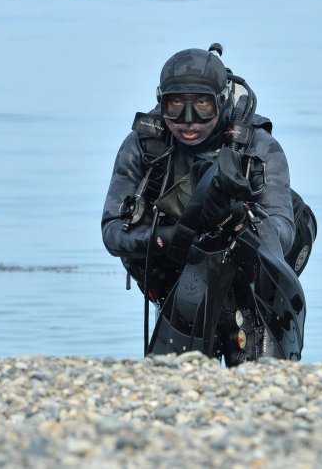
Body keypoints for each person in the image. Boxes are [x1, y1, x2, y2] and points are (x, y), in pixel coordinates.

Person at [101, 46, 306, 366]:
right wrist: (168, 239)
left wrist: (240, 223)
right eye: (175, 105)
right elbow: (112, 231)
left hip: (249, 280)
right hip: (173, 273)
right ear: (161, 102)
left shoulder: (258, 146)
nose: (188, 120)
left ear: (221, 100)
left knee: (261, 380)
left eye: (202, 104)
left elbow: (284, 231)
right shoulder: (144, 146)